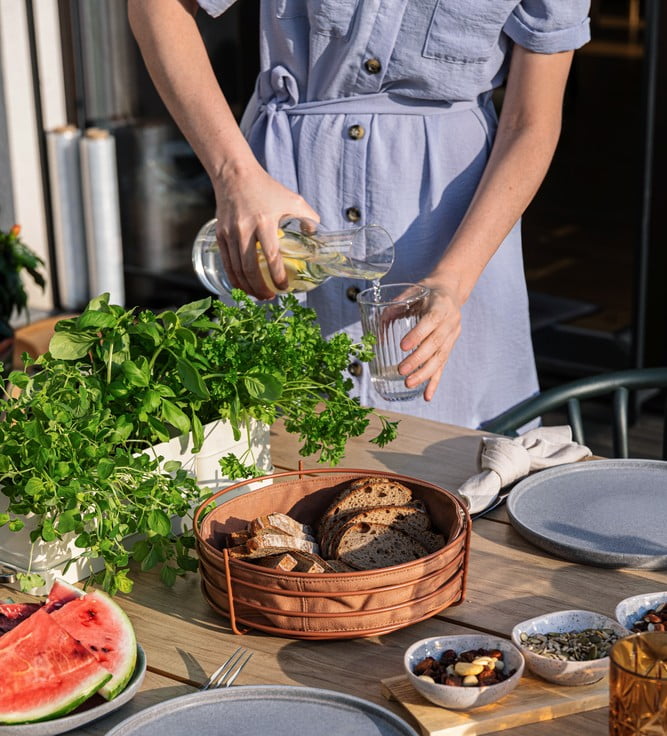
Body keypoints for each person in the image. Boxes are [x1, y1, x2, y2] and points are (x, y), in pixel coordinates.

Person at [127, 0, 591, 428]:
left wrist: (453, 280)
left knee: (459, 476)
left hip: (456, 229)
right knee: (275, 468)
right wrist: (235, 176)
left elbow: (531, 122)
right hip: (282, 205)